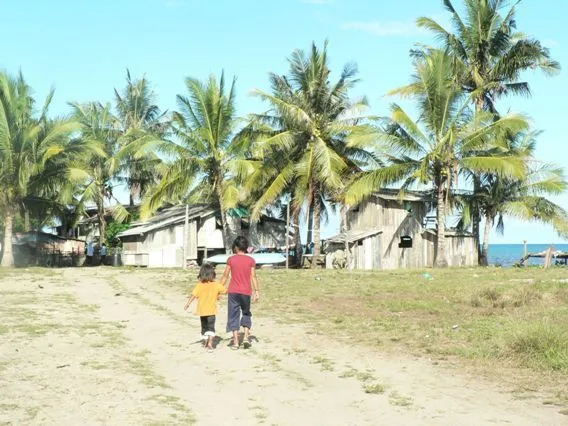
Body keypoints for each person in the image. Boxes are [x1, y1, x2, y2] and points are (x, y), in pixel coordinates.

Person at [220, 236, 260, 350]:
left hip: (233, 292)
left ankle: (236, 342)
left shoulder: (231, 259)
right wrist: (257, 292)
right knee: (246, 313)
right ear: (246, 247)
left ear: (236, 247)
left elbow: (225, 276)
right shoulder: (251, 260)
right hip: (246, 292)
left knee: (233, 315)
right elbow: (253, 277)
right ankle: (246, 337)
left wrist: (218, 289)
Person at [184, 263, 227, 352]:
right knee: (211, 327)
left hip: (202, 311)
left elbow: (193, 295)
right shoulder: (216, 284)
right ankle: (210, 343)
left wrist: (188, 304)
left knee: (204, 327)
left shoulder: (200, 285)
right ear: (212, 274)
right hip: (211, 311)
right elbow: (225, 290)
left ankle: (206, 342)